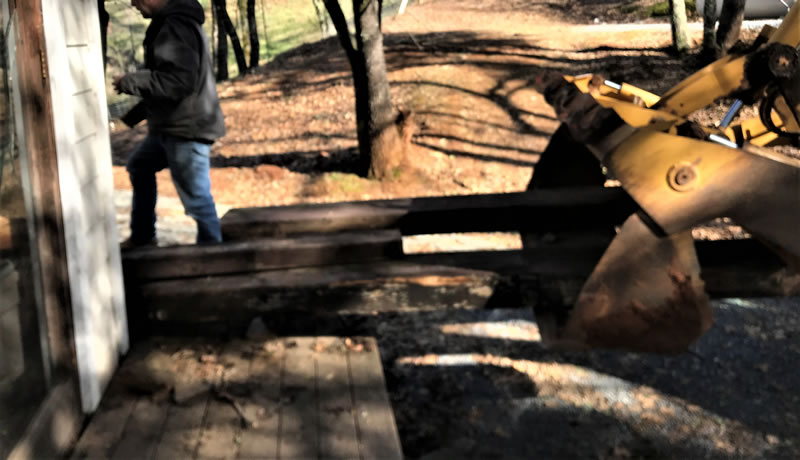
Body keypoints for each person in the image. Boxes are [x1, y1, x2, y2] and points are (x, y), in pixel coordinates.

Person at [113, 0, 225, 247]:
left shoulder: (175, 26)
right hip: (172, 126)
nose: (132, 3)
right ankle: (143, 237)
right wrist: (127, 120)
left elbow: (177, 83)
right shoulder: (169, 23)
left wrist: (130, 81)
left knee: (196, 199)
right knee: (140, 166)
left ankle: (215, 259)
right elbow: (166, 86)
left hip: (187, 129)